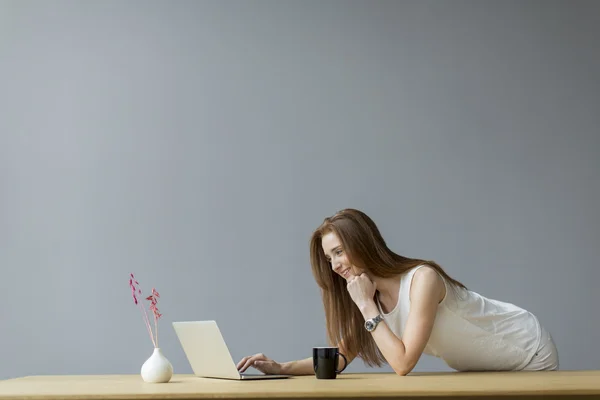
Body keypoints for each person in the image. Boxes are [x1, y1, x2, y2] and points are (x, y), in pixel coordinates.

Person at [237, 208, 559, 376]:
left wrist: (365, 307)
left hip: (526, 349)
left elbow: (403, 364)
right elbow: (341, 356)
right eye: (328, 258)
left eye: (338, 252)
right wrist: (281, 368)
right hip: (484, 368)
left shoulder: (422, 280)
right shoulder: (369, 298)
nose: (334, 265)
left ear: (362, 243)